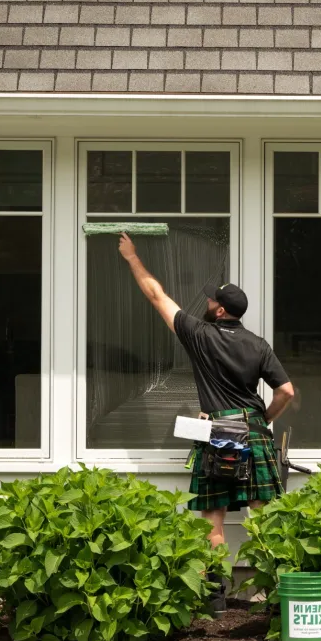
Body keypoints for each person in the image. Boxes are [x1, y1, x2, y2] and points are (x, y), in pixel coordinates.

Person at [118, 233, 294, 615]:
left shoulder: (200, 335)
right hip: (253, 431)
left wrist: (132, 258)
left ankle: (215, 599)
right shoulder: (259, 345)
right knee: (263, 516)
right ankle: (278, 597)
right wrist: (263, 419)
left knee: (213, 520)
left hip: (218, 434)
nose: (207, 301)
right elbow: (287, 392)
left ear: (218, 311)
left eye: (211, 298)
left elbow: (156, 296)